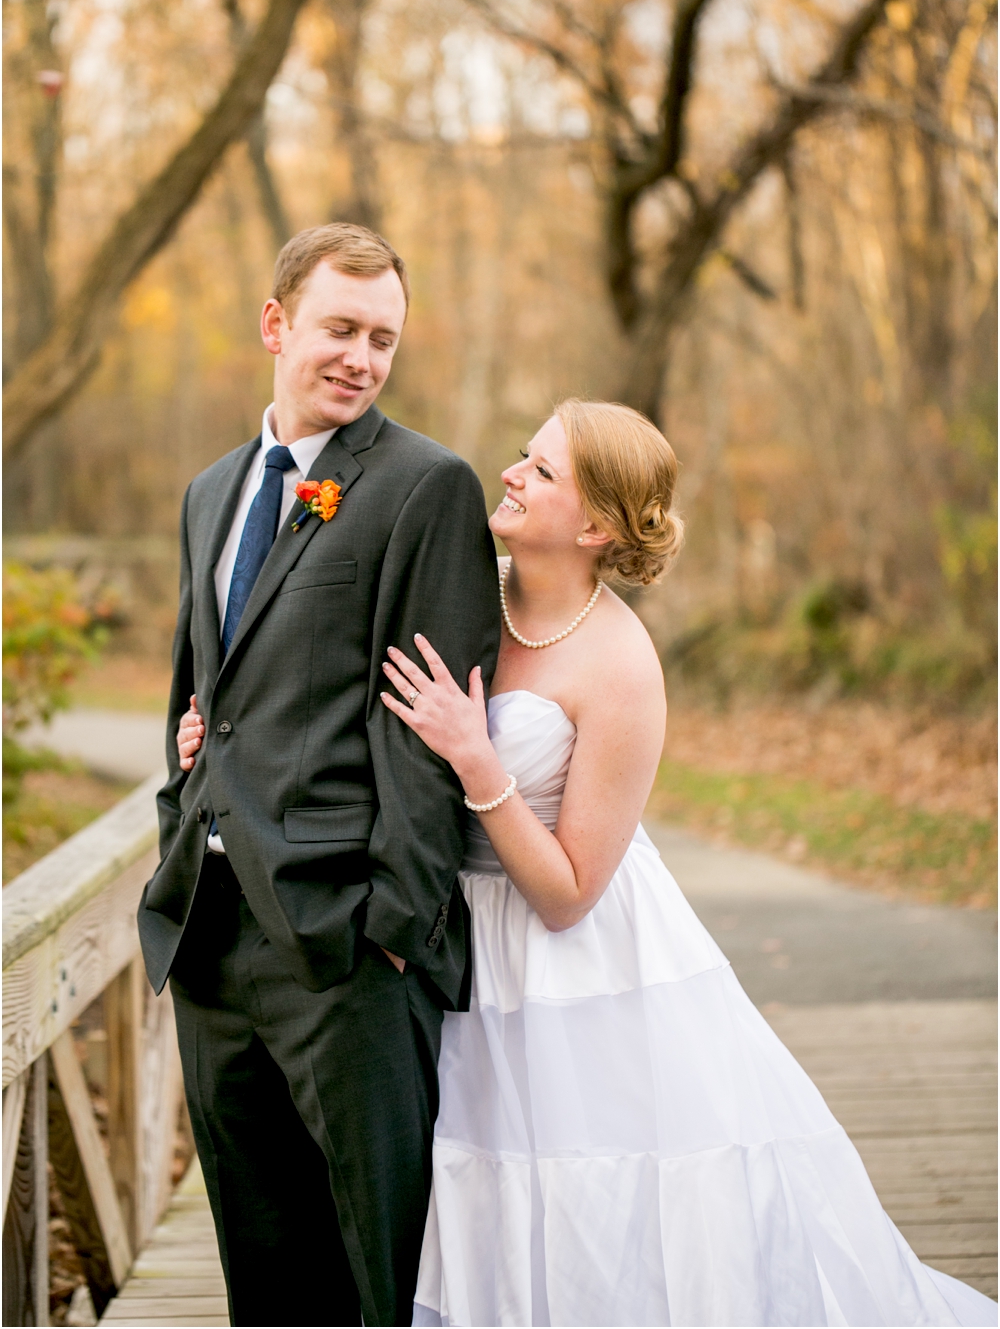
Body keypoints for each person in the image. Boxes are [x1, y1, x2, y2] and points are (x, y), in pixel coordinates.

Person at [375, 399, 998, 1329]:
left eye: (540, 471)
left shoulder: (622, 665)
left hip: (576, 970)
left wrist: (477, 760)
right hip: (456, 950)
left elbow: (570, 896)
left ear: (593, 526)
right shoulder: (465, 587)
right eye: (523, 456)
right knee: (485, 1198)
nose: (509, 473)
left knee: (599, 1204)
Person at [139, 222, 501, 1328]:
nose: (360, 356)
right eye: (339, 328)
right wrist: (182, 798)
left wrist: (389, 926)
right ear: (276, 324)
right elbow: (199, 690)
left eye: (382, 337)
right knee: (264, 1270)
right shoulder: (212, 491)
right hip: (211, 941)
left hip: (347, 950)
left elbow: (429, 728)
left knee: (376, 1268)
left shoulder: (422, 487)